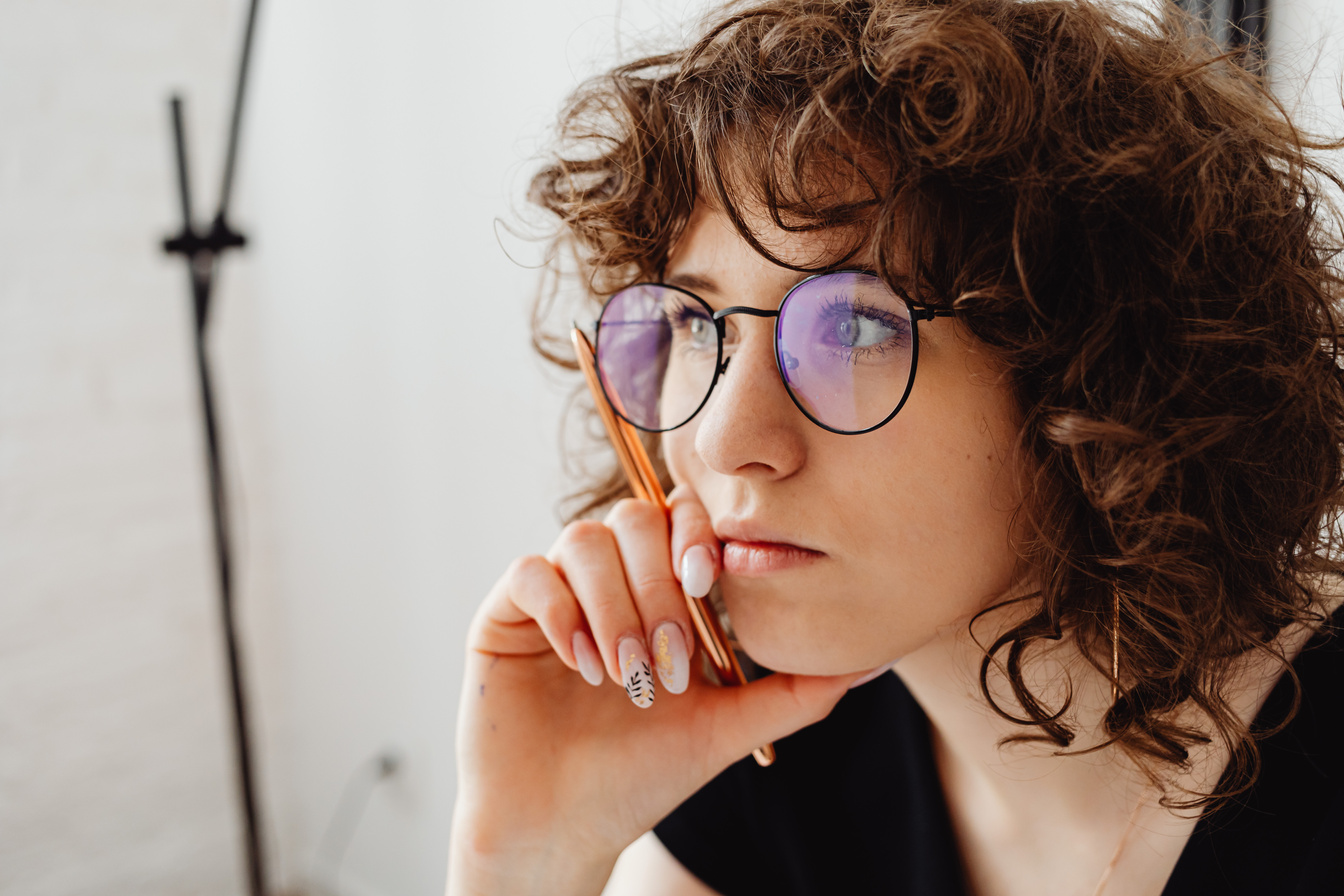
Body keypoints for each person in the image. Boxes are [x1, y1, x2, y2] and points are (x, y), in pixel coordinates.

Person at [448, 0, 1344, 893]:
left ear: (1097, 375)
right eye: (700, 324)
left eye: (854, 326)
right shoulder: (753, 750)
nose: (722, 440)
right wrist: (532, 853)